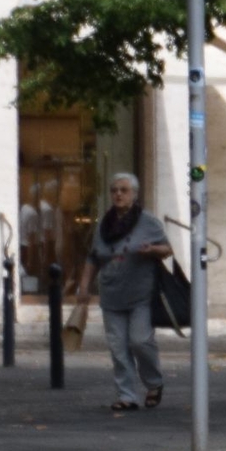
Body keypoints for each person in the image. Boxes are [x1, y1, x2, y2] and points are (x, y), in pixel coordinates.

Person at [74, 173, 173, 412]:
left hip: (141, 294)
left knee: (140, 341)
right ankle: (127, 395)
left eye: (124, 190)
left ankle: (153, 382)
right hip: (111, 294)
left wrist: (152, 249)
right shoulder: (104, 224)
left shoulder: (148, 222)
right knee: (118, 348)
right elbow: (93, 257)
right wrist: (84, 286)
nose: (118, 194)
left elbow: (167, 249)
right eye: (114, 190)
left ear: (134, 194)